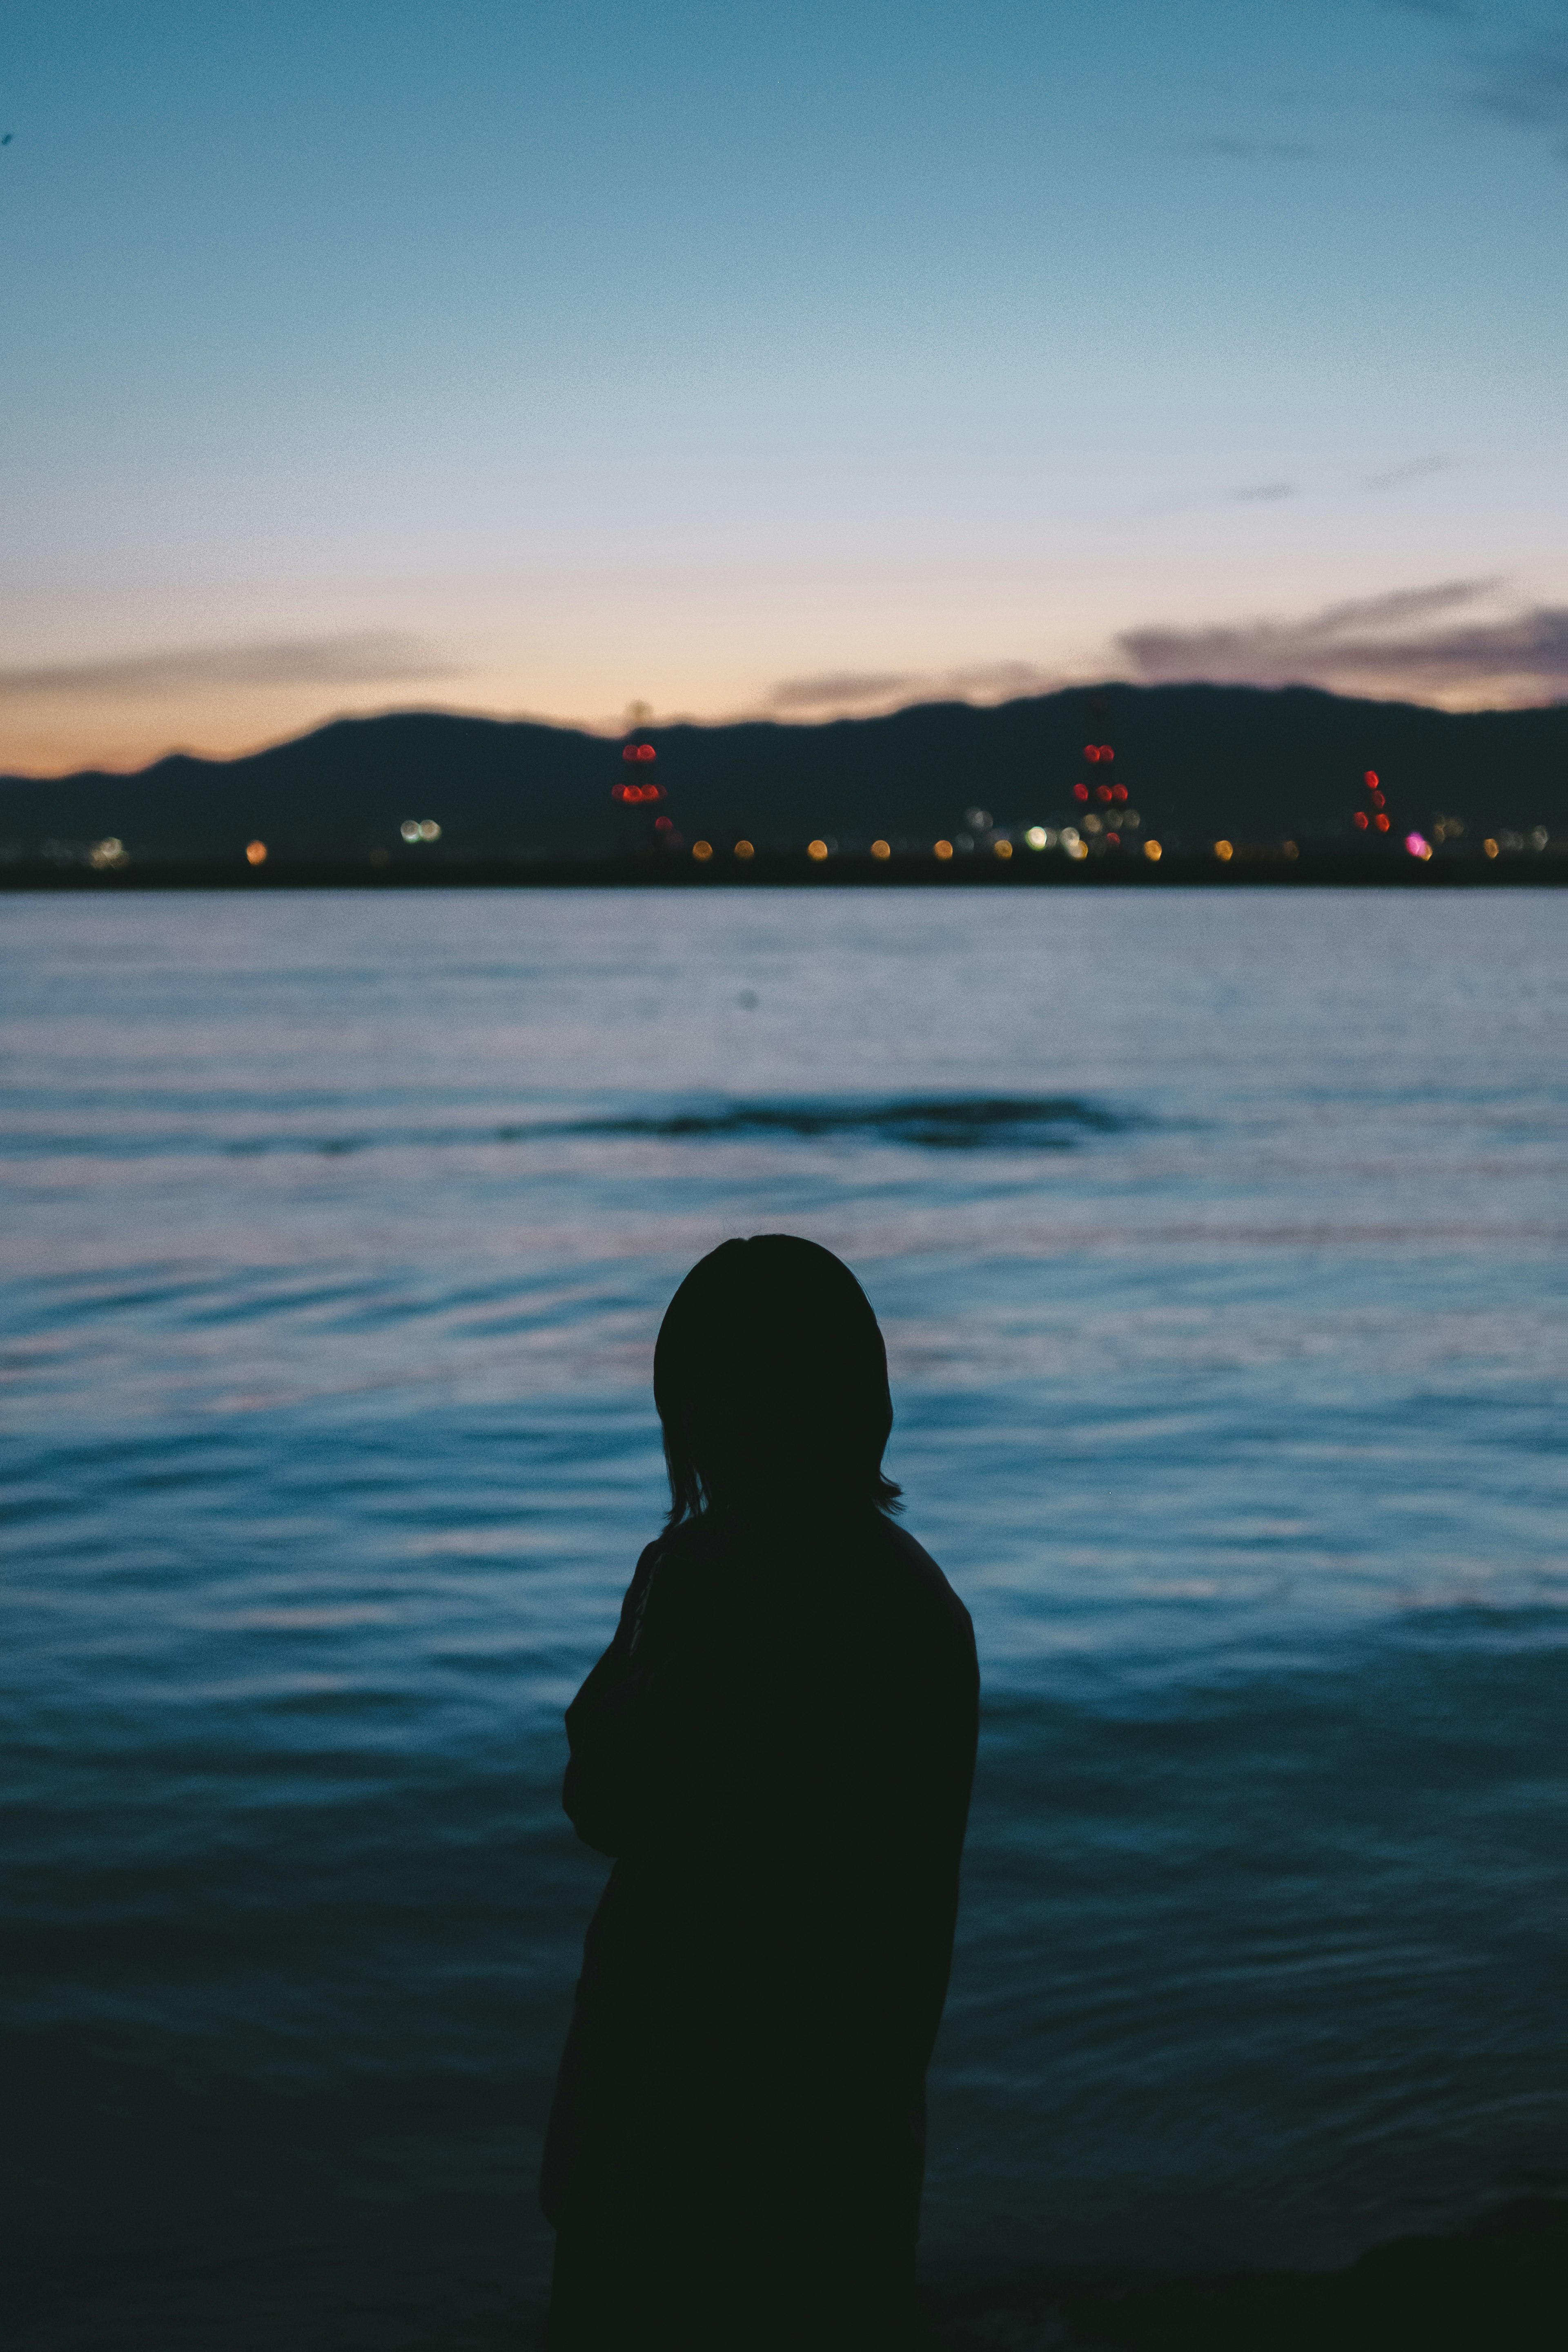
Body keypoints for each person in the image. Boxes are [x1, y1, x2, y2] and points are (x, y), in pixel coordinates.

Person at [539, 1235, 980, 2350]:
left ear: (850, 1400)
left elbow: (878, 1940)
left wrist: (804, 2184)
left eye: (775, 1378)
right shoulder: (682, 1571)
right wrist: (675, 1688)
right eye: (710, 1381)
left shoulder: (899, 1618)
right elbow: (598, 1798)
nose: (739, 1413)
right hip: (634, 2102)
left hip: (792, 2162)